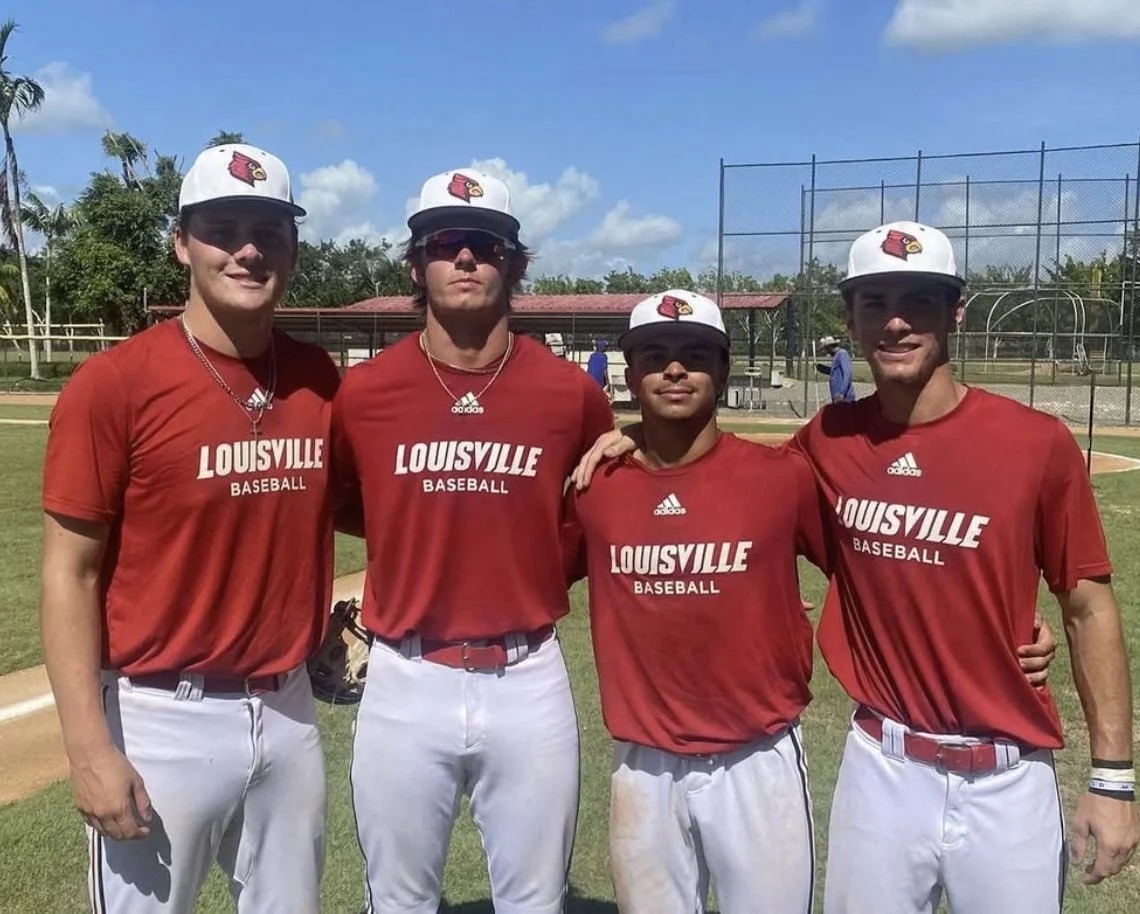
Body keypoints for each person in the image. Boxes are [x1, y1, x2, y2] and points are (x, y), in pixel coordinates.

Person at [572, 219, 1102, 914]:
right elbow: (691, 473)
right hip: (875, 764)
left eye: (918, 300)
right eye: (875, 303)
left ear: (955, 311)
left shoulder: (1027, 442)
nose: (896, 321)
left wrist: (1106, 768)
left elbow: (1080, 595)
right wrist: (634, 436)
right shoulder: (821, 445)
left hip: (999, 768)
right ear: (850, 318)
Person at [40, 143, 341, 913]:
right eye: (223, 227)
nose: (247, 248)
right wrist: (87, 750)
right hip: (158, 716)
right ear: (182, 243)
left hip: (288, 712)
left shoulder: (318, 379)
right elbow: (68, 574)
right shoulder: (113, 385)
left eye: (269, 230)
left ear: (294, 249)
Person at [331, 166, 616, 913]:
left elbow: (602, 507)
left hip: (527, 676)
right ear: (415, 265)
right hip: (403, 675)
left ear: (514, 265)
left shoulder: (568, 391)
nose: (464, 258)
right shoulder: (364, 392)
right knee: (396, 899)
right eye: (444, 243)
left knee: (534, 901)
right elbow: (344, 503)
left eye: (485, 245)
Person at [563, 289, 831, 913]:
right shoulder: (593, 487)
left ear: (725, 368)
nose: (674, 368)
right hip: (645, 766)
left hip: (756, 759)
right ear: (630, 374)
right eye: (654, 355)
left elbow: (869, 569)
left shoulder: (781, 477)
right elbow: (527, 577)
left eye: (694, 354)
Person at [816, 334, 856, 403]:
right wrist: (820, 367)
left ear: (829, 347)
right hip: (837, 396)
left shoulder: (842, 354)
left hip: (844, 397)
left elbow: (847, 374)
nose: (826, 351)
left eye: (826, 349)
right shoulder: (836, 356)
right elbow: (833, 372)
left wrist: (842, 393)